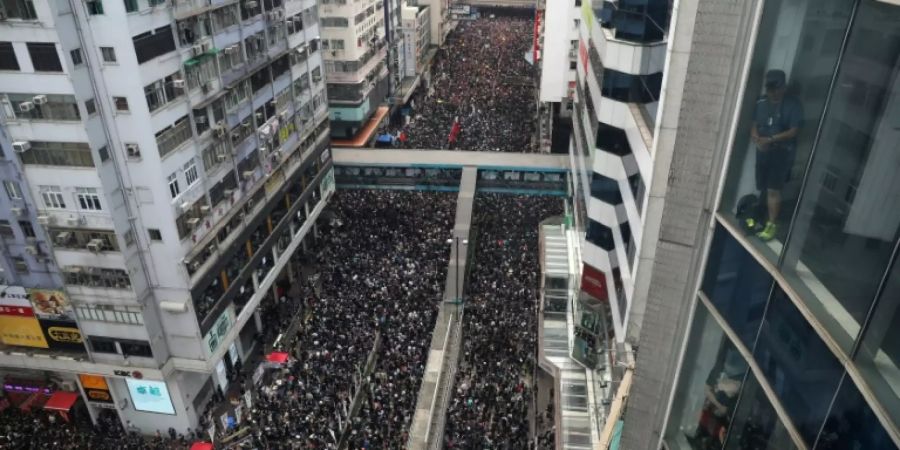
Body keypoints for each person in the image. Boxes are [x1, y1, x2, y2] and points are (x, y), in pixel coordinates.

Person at [749, 69, 803, 241]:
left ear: (783, 87)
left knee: (774, 189)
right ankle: (759, 215)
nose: (772, 92)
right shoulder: (761, 102)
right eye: (769, 88)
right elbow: (754, 123)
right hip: (763, 151)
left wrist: (771, 139)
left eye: (776, 88)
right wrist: (756, 136)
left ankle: (772, 223)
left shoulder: (793, 105)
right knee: (762, 186)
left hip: (781, 153)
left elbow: (793, 131)